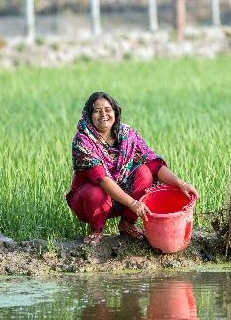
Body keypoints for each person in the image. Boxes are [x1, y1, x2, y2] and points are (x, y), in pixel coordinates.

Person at [66, 91, 199, 245]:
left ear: (115, 111)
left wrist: (180, 184)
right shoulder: (83, 142)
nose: (104, 114)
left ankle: (127, 224)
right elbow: (102, 178)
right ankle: (96, 229)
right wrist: (132, 203)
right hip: (90, 200)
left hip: (122, 197)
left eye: (108, 109)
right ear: (89, 116)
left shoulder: (127, 135)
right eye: (97, 111)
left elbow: (153, 164)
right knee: (95, 192)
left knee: (144, 172)